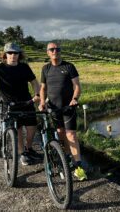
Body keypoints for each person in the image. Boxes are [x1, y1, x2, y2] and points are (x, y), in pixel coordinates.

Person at [0, 42, 42, 165]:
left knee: (32, 126)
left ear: (19, 55)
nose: (13, 55)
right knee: (17, 128)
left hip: (27, 101)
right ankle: (22, 153)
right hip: (9, 105)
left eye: (16, 53)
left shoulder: (24, 67)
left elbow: (34, 82)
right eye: (10, 53)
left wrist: (37, 95)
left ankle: (29, 148)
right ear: (5, 54)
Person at [38, 42, 87, 181]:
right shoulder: (45, 69)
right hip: (53, 108)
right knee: (60, 134)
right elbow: (43, 89)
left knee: (71, 134)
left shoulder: (69, 66)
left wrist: (75, 99)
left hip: (68, 107)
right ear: (48, 52)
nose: (55, 51)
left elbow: (77, 86)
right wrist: (42, 102)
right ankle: (66, 159)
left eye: (57, 49)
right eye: (52, 49)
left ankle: (78, 166)